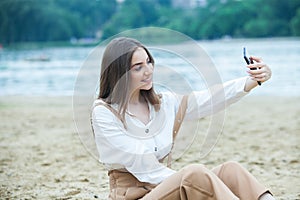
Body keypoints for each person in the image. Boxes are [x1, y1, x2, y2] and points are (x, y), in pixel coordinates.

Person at [91, 37, 274, 200]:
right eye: (138, 67)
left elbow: (208, 99)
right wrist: (190, 180)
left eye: (149, 62)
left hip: (163, 189)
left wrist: (251, 82)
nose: (148, 71)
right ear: (119, 74)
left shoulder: (162, 104)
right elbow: (143, 166)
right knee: (195, 174)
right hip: (134, 196)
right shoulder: (104, 113)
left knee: (231, 171)